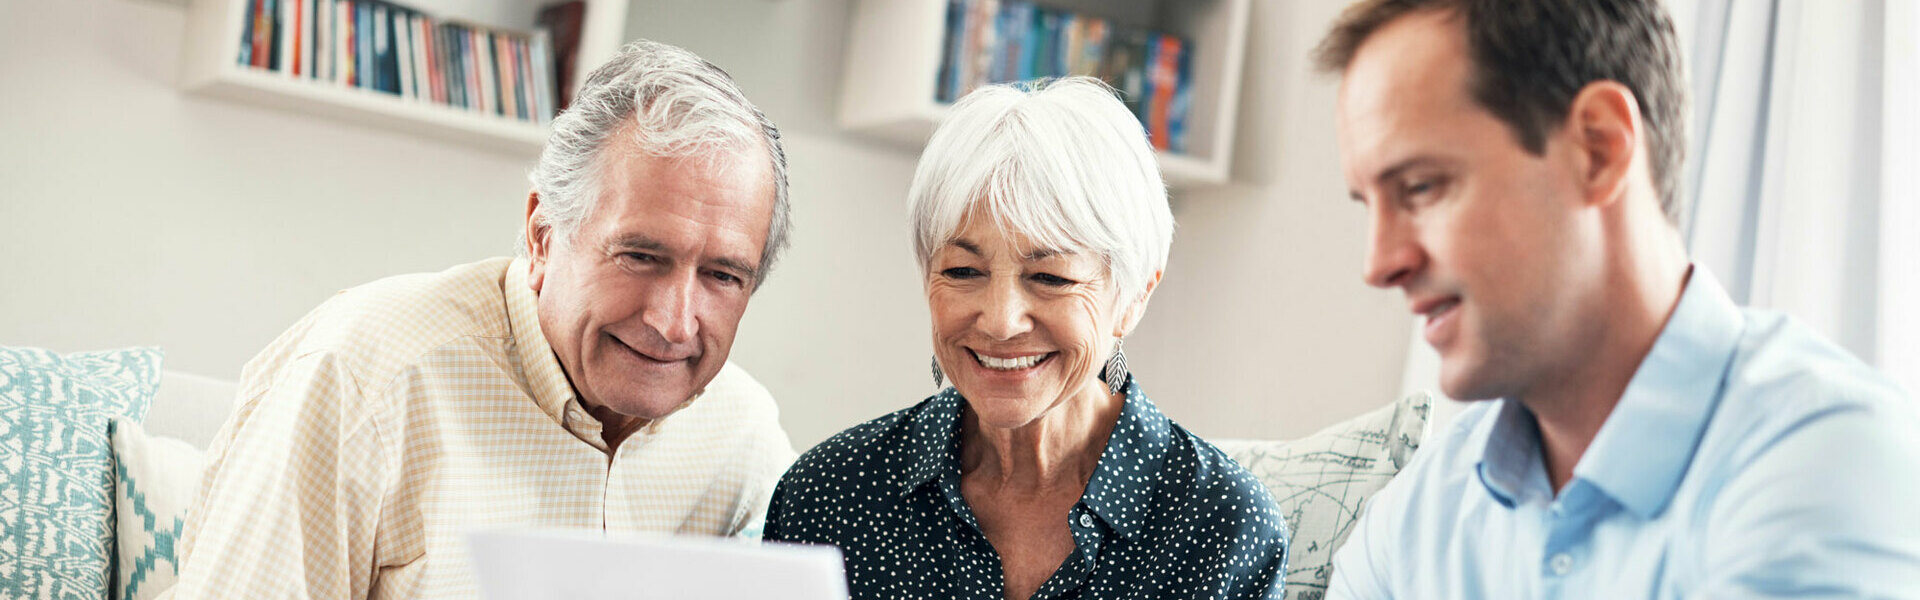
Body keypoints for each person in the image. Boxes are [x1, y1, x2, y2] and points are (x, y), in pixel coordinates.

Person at [1314, 1, 1920, 597]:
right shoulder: (1415, 522)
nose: (1380, 264)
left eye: (1420, 187)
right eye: (1369, 206)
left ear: (1598, 149)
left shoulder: (1828, 466)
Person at [168, 40, 799, 598]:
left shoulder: (742, 440)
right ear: (544, 234)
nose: (674, 323)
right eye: (640, 256)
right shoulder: (364, 379)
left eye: (722, 275)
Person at [763, 77, 1290, 600]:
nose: (1000, 321)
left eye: (1050, 278)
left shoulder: (1224, 525)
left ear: (1132, 298)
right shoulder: (829, 494)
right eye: (964, 271)